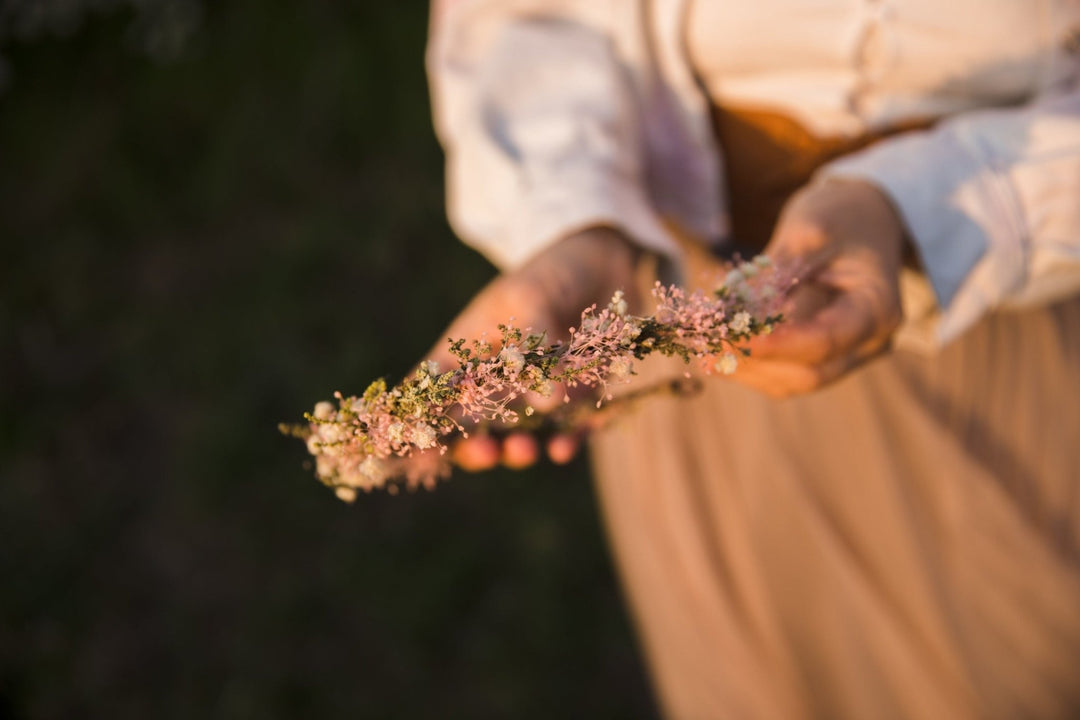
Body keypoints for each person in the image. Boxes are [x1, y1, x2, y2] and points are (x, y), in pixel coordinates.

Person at [424, 1, 1080, 717]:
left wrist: (907, 208)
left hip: (998, 323)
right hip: (687, 339)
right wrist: (575, 221)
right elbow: (524, 18)